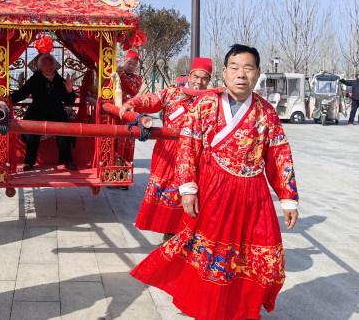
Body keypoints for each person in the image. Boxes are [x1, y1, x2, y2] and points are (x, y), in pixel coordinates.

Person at [130, 44, 299, 320]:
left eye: (248, 68)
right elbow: (188, 147)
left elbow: (280, 155)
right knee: (213, 256)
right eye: (235, 67)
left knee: (262, 258)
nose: (241, 74)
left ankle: (243, 308)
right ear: (224, 72)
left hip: (254, 196)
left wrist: (288, 199)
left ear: (257, 73)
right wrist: (187, 188)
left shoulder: (266, 113)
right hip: (214, 193)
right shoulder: (206, 105)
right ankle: (209, 308)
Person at [119, 57, 212, 242]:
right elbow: (151, 99)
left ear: (209, 80)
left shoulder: (211, 100)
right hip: (169, 152)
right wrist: (131, 104)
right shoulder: (173, 94)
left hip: (197, 153)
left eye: (204, 78)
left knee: (195, 191)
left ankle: (191, 233)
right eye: (196, 76)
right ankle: (170, 231)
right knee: (168, 191)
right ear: (189, 76)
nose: (199, 81)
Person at [10, 53, 76, 171]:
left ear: (55, 65)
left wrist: (70, 90)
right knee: (33, 132)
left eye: (51, 64)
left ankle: (68, 160)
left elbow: (69, 101)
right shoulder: (35, 79)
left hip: (57, 112)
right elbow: (22, 93)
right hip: (38, 111)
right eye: (45, 64)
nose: (49, 66)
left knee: (63, 130)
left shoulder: (60, 81)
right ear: (40, 67)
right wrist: (8, 99)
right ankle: (29, 162)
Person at [105, 50, 143, 189]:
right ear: (123, 62)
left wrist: (121, 75)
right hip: (114, 114)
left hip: (127, 117)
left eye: (134, 65)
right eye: (129, 63)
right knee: (112, 144)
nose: (131, 66)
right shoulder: (114, 75)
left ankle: (123, 178)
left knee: (127, 146)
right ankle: (109, 175)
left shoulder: (137, 79)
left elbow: (133, 90)